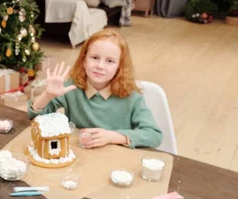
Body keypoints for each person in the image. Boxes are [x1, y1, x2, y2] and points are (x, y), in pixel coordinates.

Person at [28, 29, 162, 149]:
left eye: (110, 61)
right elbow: (34, 117)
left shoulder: (132, 97)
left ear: (119, 67)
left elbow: (154, 135)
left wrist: (112, 137)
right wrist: (48, 95)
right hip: (80, 156)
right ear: (84, 61)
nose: (100, 66)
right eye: (95, 58)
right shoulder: (72, 87)